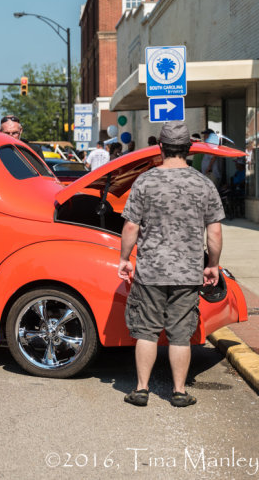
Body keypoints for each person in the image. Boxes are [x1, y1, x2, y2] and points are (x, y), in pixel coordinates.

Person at [117, 121, 223, 408]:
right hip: (187, 273)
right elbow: (214, 231)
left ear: (160, 147)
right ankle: (178, 392)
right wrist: (212, 265)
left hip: (150, 271)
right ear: (189, 148)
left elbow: (130, 227)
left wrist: (125, 259)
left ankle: (141, 389)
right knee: (180, 335)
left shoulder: (145, 181)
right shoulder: (203, 184)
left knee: (147, 332)